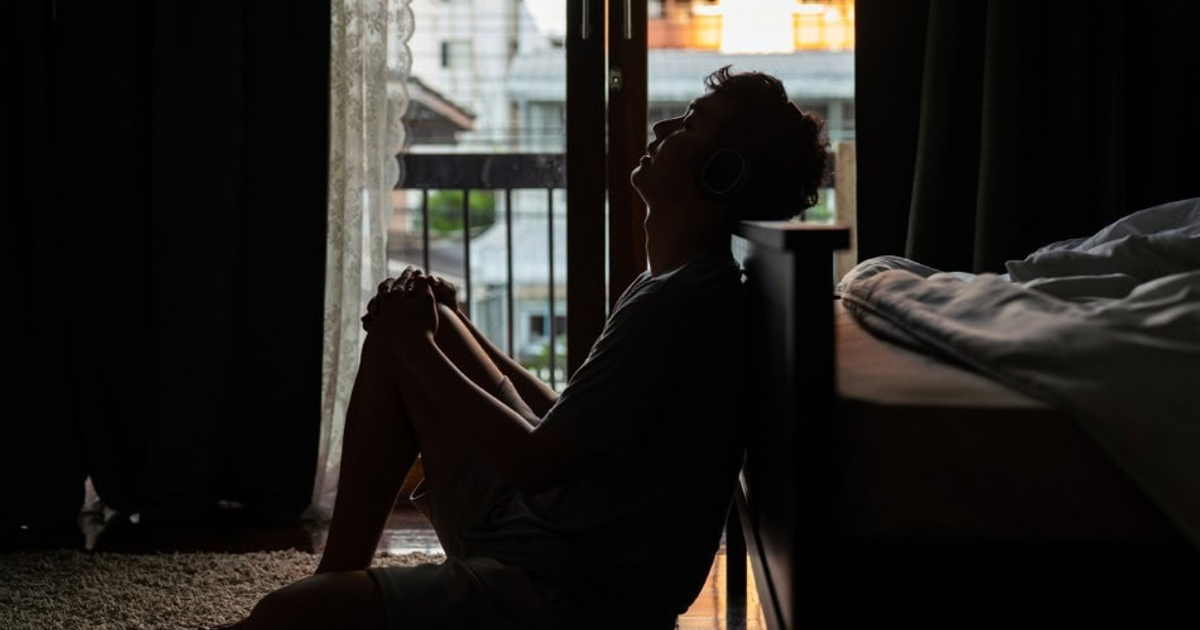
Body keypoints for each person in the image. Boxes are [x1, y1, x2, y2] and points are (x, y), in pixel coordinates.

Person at [222, 66, 829, 630]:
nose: (663, 127)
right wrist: (452, 327)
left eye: (690, 123)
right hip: (558, 534)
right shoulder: (679, 283)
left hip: (569, 587)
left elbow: (536, 461)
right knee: (413, 324)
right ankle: (338, 576)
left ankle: (330, 596)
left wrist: (422, 349)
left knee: (286, 613)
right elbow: (564, 426)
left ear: (721, 173)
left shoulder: (683, 304)